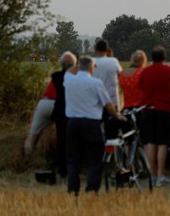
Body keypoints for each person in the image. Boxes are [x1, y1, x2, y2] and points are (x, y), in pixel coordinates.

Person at [64, 55, 126, 195]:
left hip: (72, 123)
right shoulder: (96, 83)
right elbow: (107, 104)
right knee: (95, 159)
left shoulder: (69, 79)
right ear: (92, 68)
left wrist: (79, 64)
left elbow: (69, 71)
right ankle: (91, 190)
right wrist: (116, 116)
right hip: (91, 124)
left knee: (73, 160)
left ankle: (73, 190)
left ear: (79, 66)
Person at [139, 45, 170, 187]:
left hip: (148, 110)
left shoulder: (145, 72)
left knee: (150, 142)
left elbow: (141, 87)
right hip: (165, 110)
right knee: (162, 143)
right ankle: (161, 174)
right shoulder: (169, 71)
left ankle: (152, 173)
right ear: (164, 57)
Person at [50, 51, 77, 177]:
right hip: (74, 113)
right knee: (74, 142)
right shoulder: (76, 78)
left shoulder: (56, 76)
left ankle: (63, 169)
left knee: (61, 142)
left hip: (60, 113)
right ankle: (74, 168)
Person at [92, 40, 123, 138]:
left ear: (95, 49)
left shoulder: (91, 62)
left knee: (95, 133)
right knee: (112, 133)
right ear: (107, 50)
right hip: (112, 101)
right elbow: (120, 74)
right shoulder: (113, 61)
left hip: (95, 102)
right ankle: (111, 152)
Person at [25, 78, 57, 156]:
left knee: (32, 135)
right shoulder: (76, 78)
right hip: (59, 105)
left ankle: (27, 160)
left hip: (44, 102)